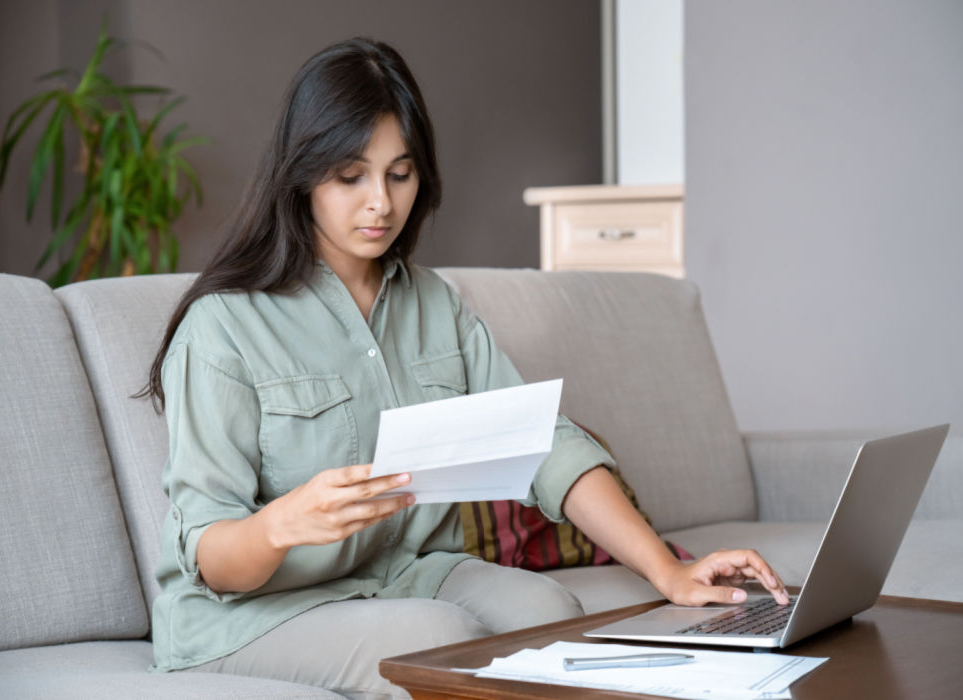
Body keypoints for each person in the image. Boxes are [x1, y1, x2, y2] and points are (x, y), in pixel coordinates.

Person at [144, 37, 788, 699]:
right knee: (431, 640)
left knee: (550, 614)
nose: (380, 204)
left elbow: (545, 443)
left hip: (407, 570)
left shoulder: (433, 304)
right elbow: (211, 559)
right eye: (350, 176)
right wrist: (280, 524)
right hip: (249, 613)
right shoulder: (223, 326)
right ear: (302, 174)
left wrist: (667, 572)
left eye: (400, 173)